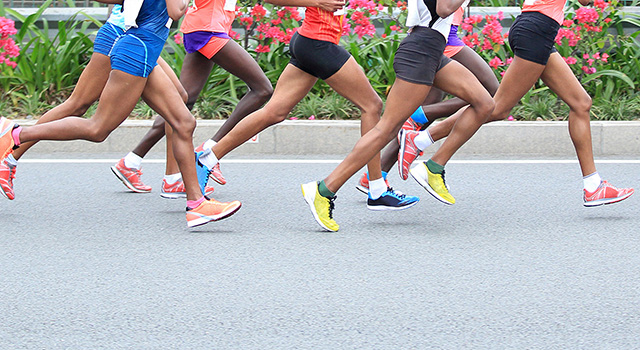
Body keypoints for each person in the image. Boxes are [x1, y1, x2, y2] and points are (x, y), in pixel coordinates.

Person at [0, 0, 241, 228]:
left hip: (142, 48)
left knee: (184, 121)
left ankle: (196, 203)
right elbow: (176, 11)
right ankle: (16, 134)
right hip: (138, 50)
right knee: (97, 129)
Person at [192, 0, 419, 217]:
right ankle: (377, 189)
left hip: (311, 42)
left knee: (274, 112)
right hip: (318, 44)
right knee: (372, 106)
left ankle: (207, 159)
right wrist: (319, 3)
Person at [402, 0, 634, 206]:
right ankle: (432, 163)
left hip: (537, 28)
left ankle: (593, 186)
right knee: (497, 107)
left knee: (581, 103)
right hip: (537, 29)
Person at [302, 0, 495, 231]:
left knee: (485, 103)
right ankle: (324, 190)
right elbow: (444, 8)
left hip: (432, 50)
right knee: (386, 130)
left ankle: (432, 167)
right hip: (421, 51)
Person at [0, 4, 194, 199]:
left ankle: (171, 178)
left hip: (138, 34)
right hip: (120, 34)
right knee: (78, 106)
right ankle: (9, 154)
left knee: (179, 97)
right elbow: (174, 11)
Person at [111, 0, 274, 195]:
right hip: (208, 30)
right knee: (262, 89)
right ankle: (210, 150)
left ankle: (131, 162)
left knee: (179, 103)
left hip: (203, 27)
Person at [355, 3, 500, 193]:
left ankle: (375, 176)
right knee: (490, 93)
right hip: (442, 40)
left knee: (412, 122)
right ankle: (419, 117)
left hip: (439, 36)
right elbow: (444, 8)